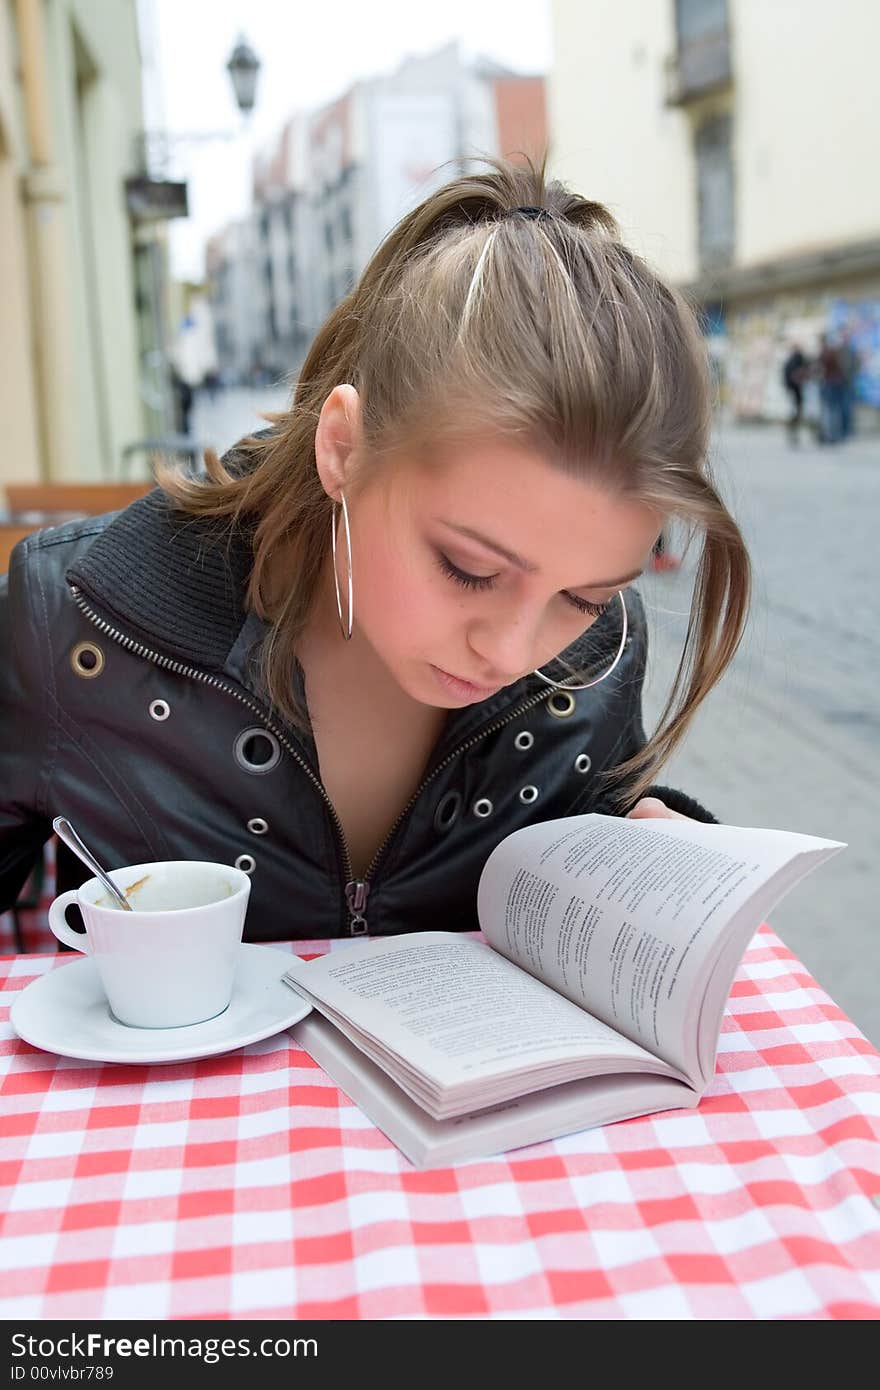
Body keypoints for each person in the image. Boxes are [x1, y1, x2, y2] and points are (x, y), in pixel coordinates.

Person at [0, 155, 751, 942]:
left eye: (584, 595)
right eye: (471, 569)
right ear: (343, 447)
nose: (511, 647)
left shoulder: (599, 656)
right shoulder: (76, 622)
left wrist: (657, 847)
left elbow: (603, 826)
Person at [817, 333, 845, 444]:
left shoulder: (826, 352)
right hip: (834, 382)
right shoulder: (832, 351)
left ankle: (830, 435)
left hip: (830, 383)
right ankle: (833, 434)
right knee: (833, 409)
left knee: (829, 410)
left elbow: (820, 367)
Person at [782, 342, 809, 446]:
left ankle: (793, 431)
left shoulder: (792, 360)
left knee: (795, 411)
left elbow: (786, 376)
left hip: (794, 390)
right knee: (796, 411)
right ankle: (793, 431)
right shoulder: (797, 360)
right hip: (796, 390)